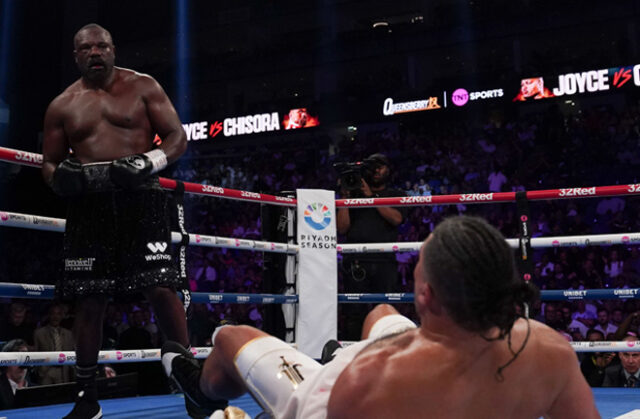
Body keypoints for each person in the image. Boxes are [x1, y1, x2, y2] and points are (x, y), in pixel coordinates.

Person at [161, 216, 599, 418]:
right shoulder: (548, 351)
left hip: (325, 395)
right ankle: (339, 349)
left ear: (426, 298)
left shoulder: (369, 386)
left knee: (230, 337)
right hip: (396, 354)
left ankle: (203, 395)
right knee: (383, 314)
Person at [41, 23, 224, 419]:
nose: (95, 53)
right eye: (86, 48)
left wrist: (148, 161)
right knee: (89, 301)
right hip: (90, 206)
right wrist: (60, 179)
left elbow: (176, 137)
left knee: (161, 288)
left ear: (113, 49)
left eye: (101, 46)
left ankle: (190, 384)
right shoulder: (62, 104)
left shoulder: (143, 86)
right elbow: (50, 163)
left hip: (142, 198)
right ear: (76, 56)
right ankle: (86, 400)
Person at [336, 153, 406, 340]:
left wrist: (371, 197)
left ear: (388, 169)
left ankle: (386, 353)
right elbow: (342, 228)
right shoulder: (354, 195)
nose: (376, 170)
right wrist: (345, 198)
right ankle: (352, 354)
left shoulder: (395, 195)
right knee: (353, 313)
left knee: (385, 310)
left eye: (380, 166)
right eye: (372, 167)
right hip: (355, 261)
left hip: (384, 262)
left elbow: (396, 219)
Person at [33, 303, 75, 384]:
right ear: (49, 315)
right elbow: (35, 354)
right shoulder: (39, 333)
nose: (55, 317)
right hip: (45, 371)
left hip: (63, 371)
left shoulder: (69, 334)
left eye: (58, 314)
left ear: (62, 316)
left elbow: (71, 354)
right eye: (53, 313)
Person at [0, 339, 32, 410]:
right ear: (7, 362)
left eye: (25, 359)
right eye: (18, 360)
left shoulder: (36, 389)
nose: (22, 365)